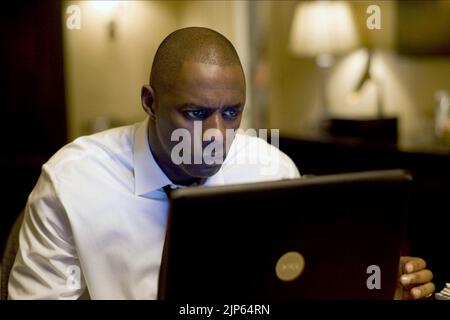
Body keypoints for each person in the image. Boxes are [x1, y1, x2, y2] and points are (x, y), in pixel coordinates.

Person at [8, 27, 434, 300]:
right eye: (195, 113)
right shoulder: (72, 183)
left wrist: (371, 289)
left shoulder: (273, 173)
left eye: (232, 113)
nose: (216, 133)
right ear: (150, 102)